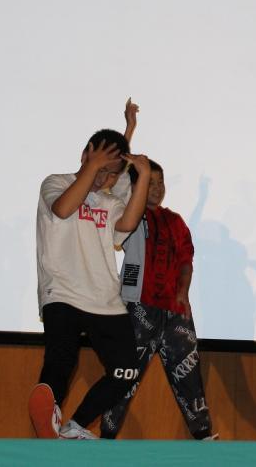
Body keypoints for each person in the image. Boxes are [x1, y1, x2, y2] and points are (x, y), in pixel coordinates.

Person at [28, 129, 151, 439]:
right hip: (62, 292)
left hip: (104, 299)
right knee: (61, 359)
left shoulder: (109, 202)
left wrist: (143, 177)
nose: (103, 179)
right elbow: (63, 209)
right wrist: (93, 166)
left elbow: (127, 224)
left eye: (111, 174)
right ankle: (49, 416)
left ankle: (76, 425)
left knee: (126, 371)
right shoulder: (56, 183)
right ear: (85, 155)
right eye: (100, 169)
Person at [99, 159, 217, 440]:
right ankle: (106, 436)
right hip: (138, 308)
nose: (156, 188)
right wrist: (127, 143)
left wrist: (183, 291)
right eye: (149, 182)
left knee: (189, 375)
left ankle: (203, 434)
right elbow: (118, 188)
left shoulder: (175, 221)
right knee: (125, 374)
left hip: (175, 312)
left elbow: (186, 260)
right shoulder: (131, 216)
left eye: (160, 182)